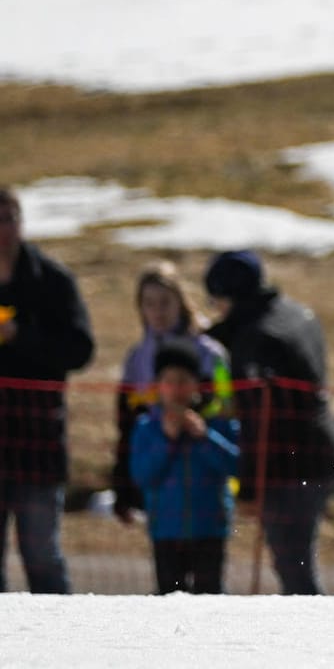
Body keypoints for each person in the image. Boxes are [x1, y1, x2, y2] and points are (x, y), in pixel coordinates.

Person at [203, 249, 334, 595]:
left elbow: (256, 420)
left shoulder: (255, 340)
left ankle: (316, 634)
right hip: (321, 452)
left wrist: (249, 489)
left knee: (293, 564)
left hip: (287, 467)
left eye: (216, 298)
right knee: (298, 560)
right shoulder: (296, 313)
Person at [0, 185, 95, 594]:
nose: (0, 230)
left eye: (7, 218)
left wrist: (20, 335)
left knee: (41, 555)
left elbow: (79, 349)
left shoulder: (53, 281)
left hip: (38, 441)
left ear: (21, 223)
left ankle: (61, 644)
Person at [112, 262, 230, 525]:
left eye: (165, 302)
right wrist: (123, 486)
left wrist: (189, 418)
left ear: (181, 301)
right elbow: (126, 424)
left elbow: (226, 405)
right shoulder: (136, 358)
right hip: (156, 468)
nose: (157, 312)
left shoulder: (210, 353)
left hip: (201, 462)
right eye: (149, 303)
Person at [130, 338, 241, 594]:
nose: (176, 389)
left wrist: (204, 437)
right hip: (165, 530)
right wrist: (166, 440)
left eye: (183, 381)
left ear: (196, 386)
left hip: (210, 528)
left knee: (209, 597)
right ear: (159, 386)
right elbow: (143, 476)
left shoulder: (219, 424)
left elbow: (236, 465)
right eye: (169, 381)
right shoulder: (147, 428)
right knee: (169, 596)